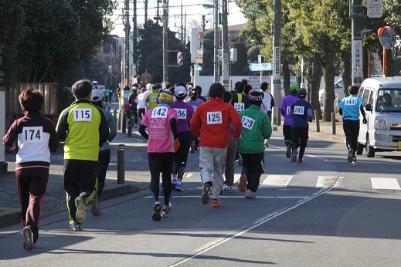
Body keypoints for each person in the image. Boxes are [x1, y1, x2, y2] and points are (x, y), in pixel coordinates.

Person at [3, 89, 58, 251]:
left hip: (22, 166)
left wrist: (16, 148)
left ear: (23, 105)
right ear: (41, 104)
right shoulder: (47, 123)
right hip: (41, 166)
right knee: (35, 198)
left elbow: (6, 141)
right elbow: (54, 144)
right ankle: (31, 227)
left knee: (24, 201)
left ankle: (26, 229)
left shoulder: (19, 123)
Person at [56, 80, 109, 231]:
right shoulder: (98, 112)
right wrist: (94, 143)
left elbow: (59, 135)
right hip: (90, 157)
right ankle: (83, 199)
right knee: (90, 189)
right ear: (90, 94)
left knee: (70, 190)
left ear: (74, 94)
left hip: (70, 156)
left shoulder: (67, 112)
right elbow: (105, 134)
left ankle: (74, 222)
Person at [190, 83, 242, 208]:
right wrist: (235, 135)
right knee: (218, 171)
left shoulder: (202, 107)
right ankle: (214, 198)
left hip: (205, 143)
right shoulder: (227, 107)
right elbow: (237, 123)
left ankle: (207, 182)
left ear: (210, 94)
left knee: (205, 167)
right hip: (221, 144)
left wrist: (197, 134)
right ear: (222, 94)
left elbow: (193, 123)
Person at [139, 90, 179, 221]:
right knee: (167, 177)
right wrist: (176, 136)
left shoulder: (150, 112)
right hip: (168, 149)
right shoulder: (171, 111)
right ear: (170, 101)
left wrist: (149, 137)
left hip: (153, 149)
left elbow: (141, 128)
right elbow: (173, 122)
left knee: (154, 177)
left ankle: (156, 201)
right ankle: (166, 204)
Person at [238, 89, 272, 198]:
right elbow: (267, 134)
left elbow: (237, 129)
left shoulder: (242, 113)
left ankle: (244, 174)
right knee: (257, 169)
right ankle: (251, 190)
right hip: (257, 148)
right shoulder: (263, 116)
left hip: (243, 146)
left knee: (247, 165)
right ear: (260, 102)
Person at [90, 90, 117, 215]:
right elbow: (114, 132)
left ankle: (88, 197)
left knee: (88, 176)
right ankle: (97, 199)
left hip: (87, 149)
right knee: (100, 178)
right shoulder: (106, 113)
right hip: (103, 149)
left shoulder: (86, 113)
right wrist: (107, 140)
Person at [170, 86, 194, 191]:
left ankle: (173, 179)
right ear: (185, 95)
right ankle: (179, 182)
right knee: (183, 159)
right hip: (185, 134)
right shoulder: (189, 107)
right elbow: (192, 122)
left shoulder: (171, 107)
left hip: (173, 135)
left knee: (173, 158)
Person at [339, 85, 367, 163]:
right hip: (355, 121)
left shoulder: (344, 100)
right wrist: (364, 118)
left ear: (349, 92)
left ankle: (350, 150)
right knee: (354, 138)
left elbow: (340, 110)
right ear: (357, 92)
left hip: (346, 120)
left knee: (348, 137)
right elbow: (361, 108)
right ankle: (353, 154)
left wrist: (344, 115)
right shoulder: (358, 100)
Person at [290, 88, 313, 164]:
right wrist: (309, 119)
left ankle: (295, 149)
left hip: (294, 125)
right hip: (303, 126)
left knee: (294, 140)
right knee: (303, 142)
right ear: (305, 95)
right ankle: (300, 159)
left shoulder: (293, 104)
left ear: (298, 95)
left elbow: (290, 114)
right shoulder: (307, 105)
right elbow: (309, 116)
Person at [223, 91, 238, 192]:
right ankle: (229, 183)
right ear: (231, 99)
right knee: (230, 162)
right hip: (232, 138)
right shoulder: (233, 110)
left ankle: (218, 182)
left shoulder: (219, 109)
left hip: (220, 138)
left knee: (219, 162)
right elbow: (237, 124)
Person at [280, 83, 300, 158]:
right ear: (297, 91)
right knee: (296, 138)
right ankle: (294, 149)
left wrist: (285, 115)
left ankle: (288, 145)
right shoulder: (299, 100)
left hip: (287, 123)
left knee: (287, 137)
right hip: (296, 123)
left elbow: (282, 109)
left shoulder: (285, 98)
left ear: (290, 90)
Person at [187, 88, 204, 153]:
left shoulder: (188, 102)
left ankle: (192, 144)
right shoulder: (200, 101)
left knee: (191, 133)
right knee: (198, 133)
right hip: (198, 120)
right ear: (197, 95)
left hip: (190, 121)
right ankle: (197, 145)